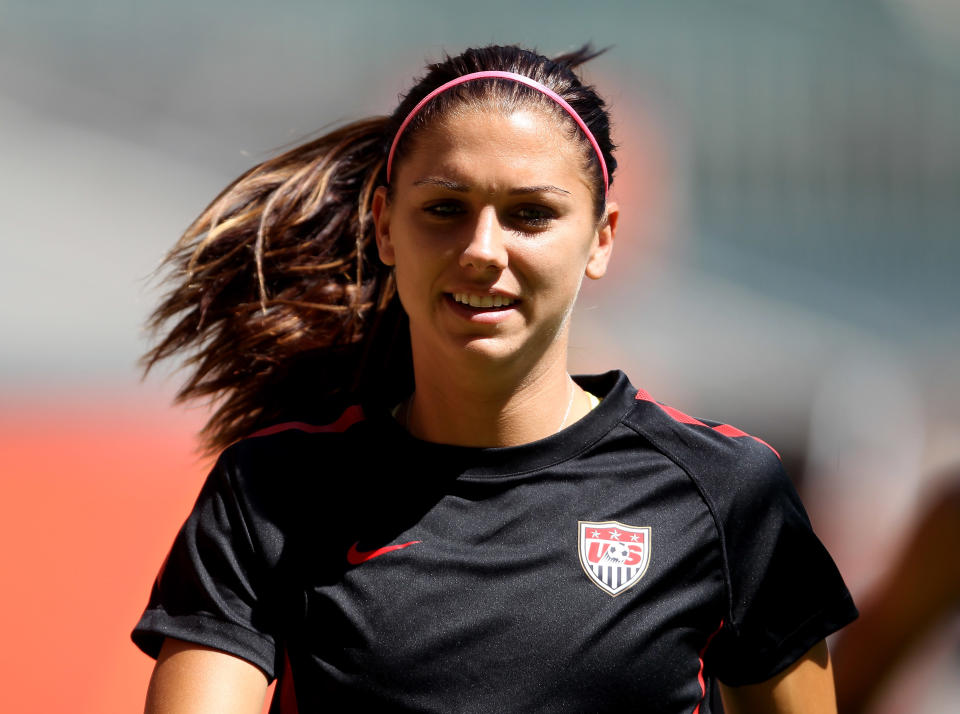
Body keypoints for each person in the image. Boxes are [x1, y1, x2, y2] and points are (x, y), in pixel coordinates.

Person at [132, 45, 858, 713]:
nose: (482, 250)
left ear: (601, 238)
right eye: (445, 209)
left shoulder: (727, 492)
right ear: (385, 226)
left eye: (530, 214)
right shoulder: (273, 491)